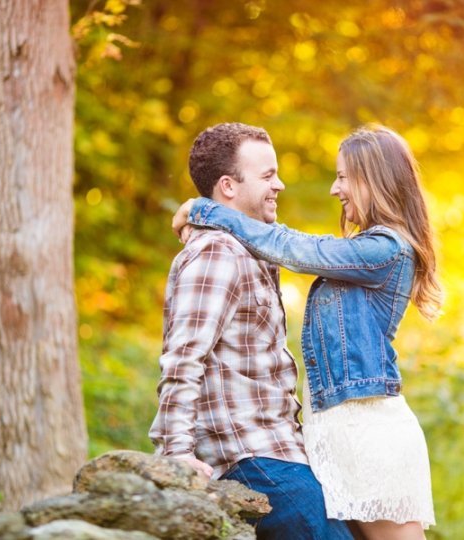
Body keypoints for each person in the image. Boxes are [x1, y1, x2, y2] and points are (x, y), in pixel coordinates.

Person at [174, 124, 442, 540]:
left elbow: (296, 248)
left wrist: (204, 210)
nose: (336, 189)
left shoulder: (384, 250)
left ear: (375, 180)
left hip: (368, 433)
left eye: (343, 177)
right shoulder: (361, 250)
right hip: (330, 439)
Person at [149, 122, 354, 540]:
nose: (279, 185)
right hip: (250, 457)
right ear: (228, 186)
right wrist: (175, 452)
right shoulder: (217, 253)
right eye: (267, 176)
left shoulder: (253, 249)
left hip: (279, 454)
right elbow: (184, 357)